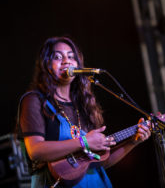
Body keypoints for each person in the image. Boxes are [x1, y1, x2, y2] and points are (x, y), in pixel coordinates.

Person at [16, 36, 151, 188]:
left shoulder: (83, 105)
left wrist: (133, 141)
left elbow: (99, 162)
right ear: (46, 64)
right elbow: (36, 151)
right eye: (58, 57)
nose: (66, 61)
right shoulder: (34, 100)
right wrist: (83, 141)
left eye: (71, 57)